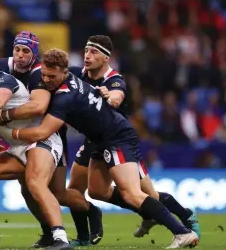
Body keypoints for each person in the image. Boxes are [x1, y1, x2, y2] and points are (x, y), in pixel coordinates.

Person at [7, 48, 199, 249]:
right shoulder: (69, 77)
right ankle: (92, 233)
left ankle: (182, 231)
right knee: (98, 191)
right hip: (99, 138)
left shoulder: (65, 98)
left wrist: (11, 132)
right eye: (44, 75)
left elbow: (41, 133)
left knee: (132, 193)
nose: (46, 80)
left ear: (64, 72)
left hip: (116, 137)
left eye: (51, 76)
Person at [68, 35, 200, 239]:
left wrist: (109, 97)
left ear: (106, 58)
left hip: (118, 140)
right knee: (93, 190)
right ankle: (85, 237)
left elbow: (116, 96)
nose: (87, 55)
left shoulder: (114, 80)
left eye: (94, 52)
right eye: (86, 50)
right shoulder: (78, 75)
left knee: (148, 195)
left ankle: (185, 216)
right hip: (94, 139)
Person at [0, 31, 102, 248]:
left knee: (58, 193)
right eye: (17, 49)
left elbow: (40, 106)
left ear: (34, 54)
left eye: (26, 51)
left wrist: (5, 119)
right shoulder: (0, 66)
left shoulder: (41, 71)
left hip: (49, 135)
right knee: (27, 189)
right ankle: (48, 232)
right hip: (26, 138)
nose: (20, 55)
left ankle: (90, 212)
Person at [0, 50, 71, 250]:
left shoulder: (4, 80)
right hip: (18, 147)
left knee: (34, 183)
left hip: (41, 139)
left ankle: (61, 238)